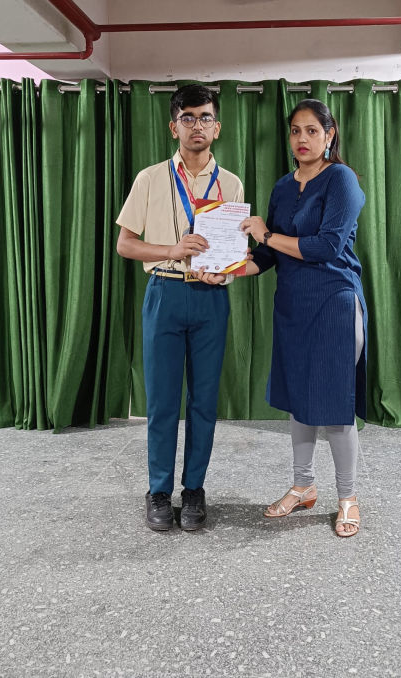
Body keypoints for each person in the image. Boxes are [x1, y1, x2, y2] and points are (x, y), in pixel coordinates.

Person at [116, 84, 244, 532]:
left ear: (217, 127)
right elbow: (125, 244)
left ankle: (194, 489)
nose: (197, 126)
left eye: (205, 117)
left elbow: (232, 253)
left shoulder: (230, 184)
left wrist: (223, 273)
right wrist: (171, 249)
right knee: (163, 400)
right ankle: (158, 490)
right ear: (174, 127)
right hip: (165, 293)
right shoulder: (150, 178)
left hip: (210, 299)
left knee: (204, 401)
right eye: (187, 118)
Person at [240, 99, 366, 538]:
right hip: (292, 305)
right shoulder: (281, 187)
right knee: (299, 401)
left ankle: (348, 497)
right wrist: (227, 271)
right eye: (296, 130)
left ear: (329, 135)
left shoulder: (342, 179)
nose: (302, 139)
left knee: (335, 405)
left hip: (334, 302)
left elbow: (326, 246)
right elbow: (267, 255)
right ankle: (303, 486)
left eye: (312, 130)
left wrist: (267, 234)